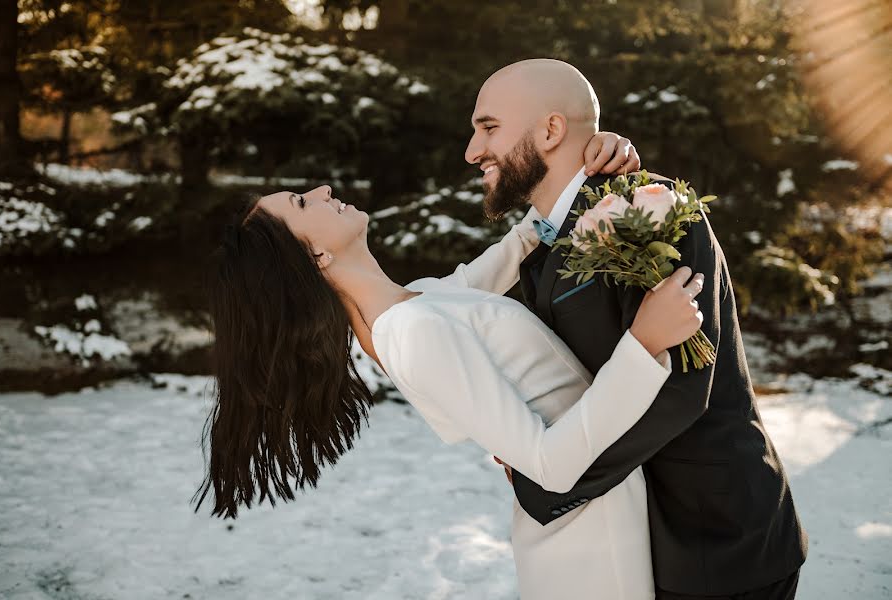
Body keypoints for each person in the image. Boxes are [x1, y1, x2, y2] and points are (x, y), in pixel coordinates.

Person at [196, 174, 707, 598]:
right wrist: (643, 344)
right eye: (304, 202)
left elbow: (509, 252)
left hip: (599, 510)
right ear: (314, 258)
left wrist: (582, 176)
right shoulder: (409, 330)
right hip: (590, 540)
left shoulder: (412, 303)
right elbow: (550, 465)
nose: (325, 189)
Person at [464, 58, 807, 600]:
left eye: (488, 128)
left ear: (551, 129)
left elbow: (681, 387)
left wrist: (548, 476)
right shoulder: (536, 249)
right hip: (628, 547)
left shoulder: (652, 208)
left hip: (714, 542)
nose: (473, 151)